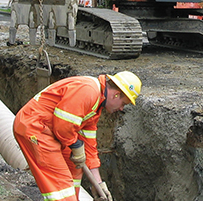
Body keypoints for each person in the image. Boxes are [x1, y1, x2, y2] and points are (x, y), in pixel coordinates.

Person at [13, 71, 142, 201]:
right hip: (36, 128)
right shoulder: (89, 91)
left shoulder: (96, 104)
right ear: (116, 95)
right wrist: (76, 145)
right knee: (61, 184)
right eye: (123, 104)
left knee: (74, 167)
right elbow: (63, 126)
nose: (121, 108)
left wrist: (98, 183)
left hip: (50, 132)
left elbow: (89, 145)